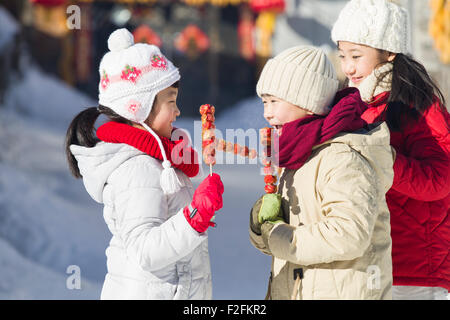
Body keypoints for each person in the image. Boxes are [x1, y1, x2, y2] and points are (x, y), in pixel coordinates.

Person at [65, 28, 224, 300]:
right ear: (137, 108)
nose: (177, 111)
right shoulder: (137, 168)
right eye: (170, 102)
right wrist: (195, 216)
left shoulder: (157, 160)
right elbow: (145, 250)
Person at [249, 45, 395, 299]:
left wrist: (283, 238)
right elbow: (295, 228)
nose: (267, 112)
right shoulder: (300, 155)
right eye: (264, 102)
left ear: (308, 102)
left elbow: (350, 233)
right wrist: (263, 226)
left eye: (274, 101)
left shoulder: (342, 157)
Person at [332, 0, 450, 300]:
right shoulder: (354, 106)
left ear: (388, 52)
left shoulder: (417, 106)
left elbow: (441, 180)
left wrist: (385, 160)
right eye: (343, 55)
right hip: (370, 262)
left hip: (416, 269)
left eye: (357, 55)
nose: (348, 66)